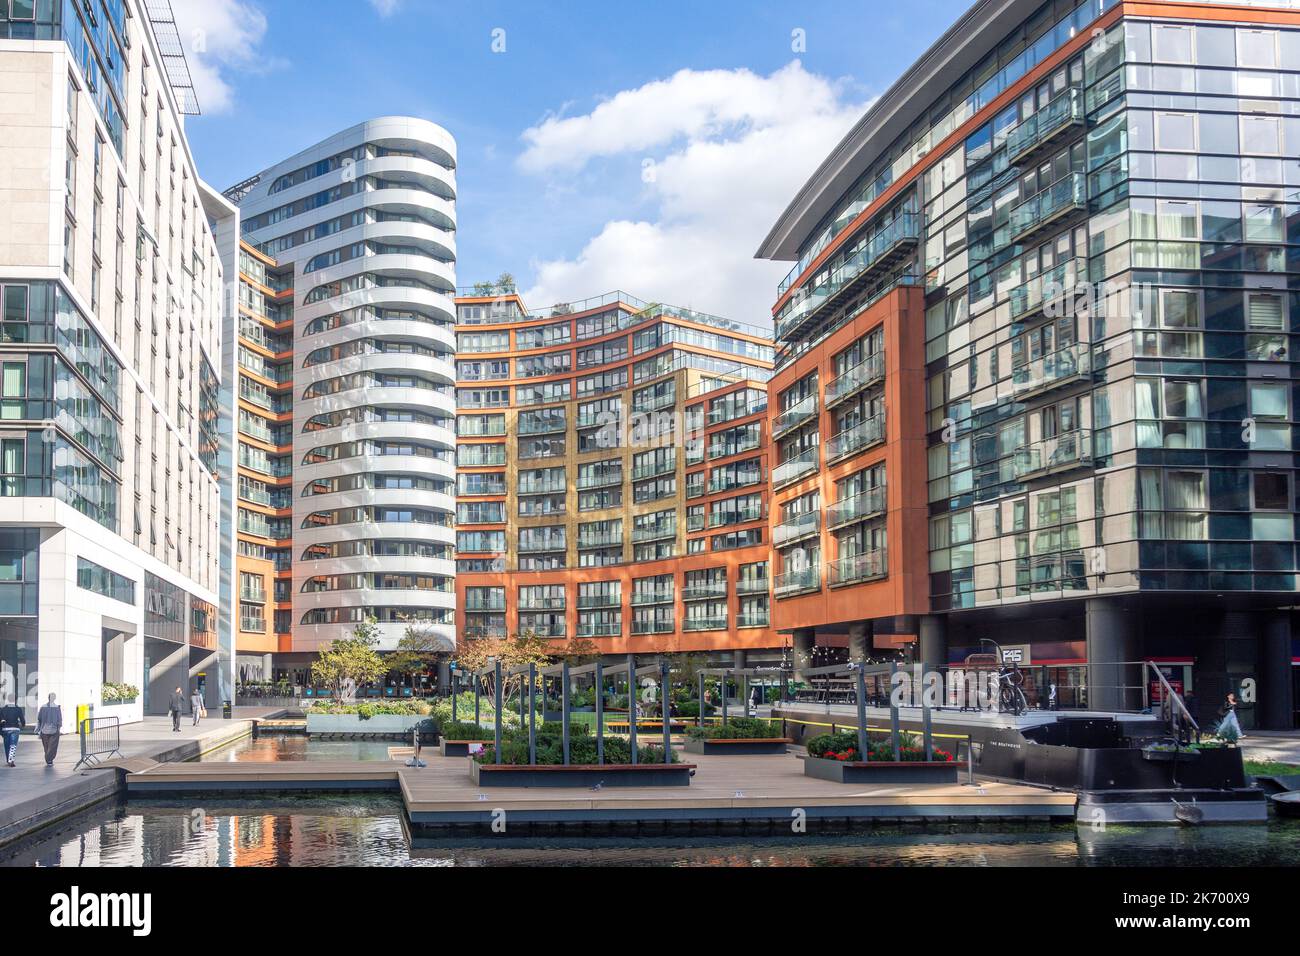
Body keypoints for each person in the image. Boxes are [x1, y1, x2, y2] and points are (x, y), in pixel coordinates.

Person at [36, 693, 62, 767]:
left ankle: (48, 759)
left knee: (46, 746)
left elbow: (39, 718)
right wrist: (58, 728)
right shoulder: (57, 708)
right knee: (52, 746)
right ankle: (49, 759)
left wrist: (40, 728)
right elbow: (59, 719)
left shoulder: (43, 707)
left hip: (44, 729)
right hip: (54, 729)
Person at [0, 696, 25, 767]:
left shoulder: (3, 709)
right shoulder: (18, 709)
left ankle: (9, 760)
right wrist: (23, 724)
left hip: (5, 729)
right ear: (15, 700)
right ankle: (11, 760)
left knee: (7, 746)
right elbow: (22, 719)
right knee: (13, 745)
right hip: (15, 729)